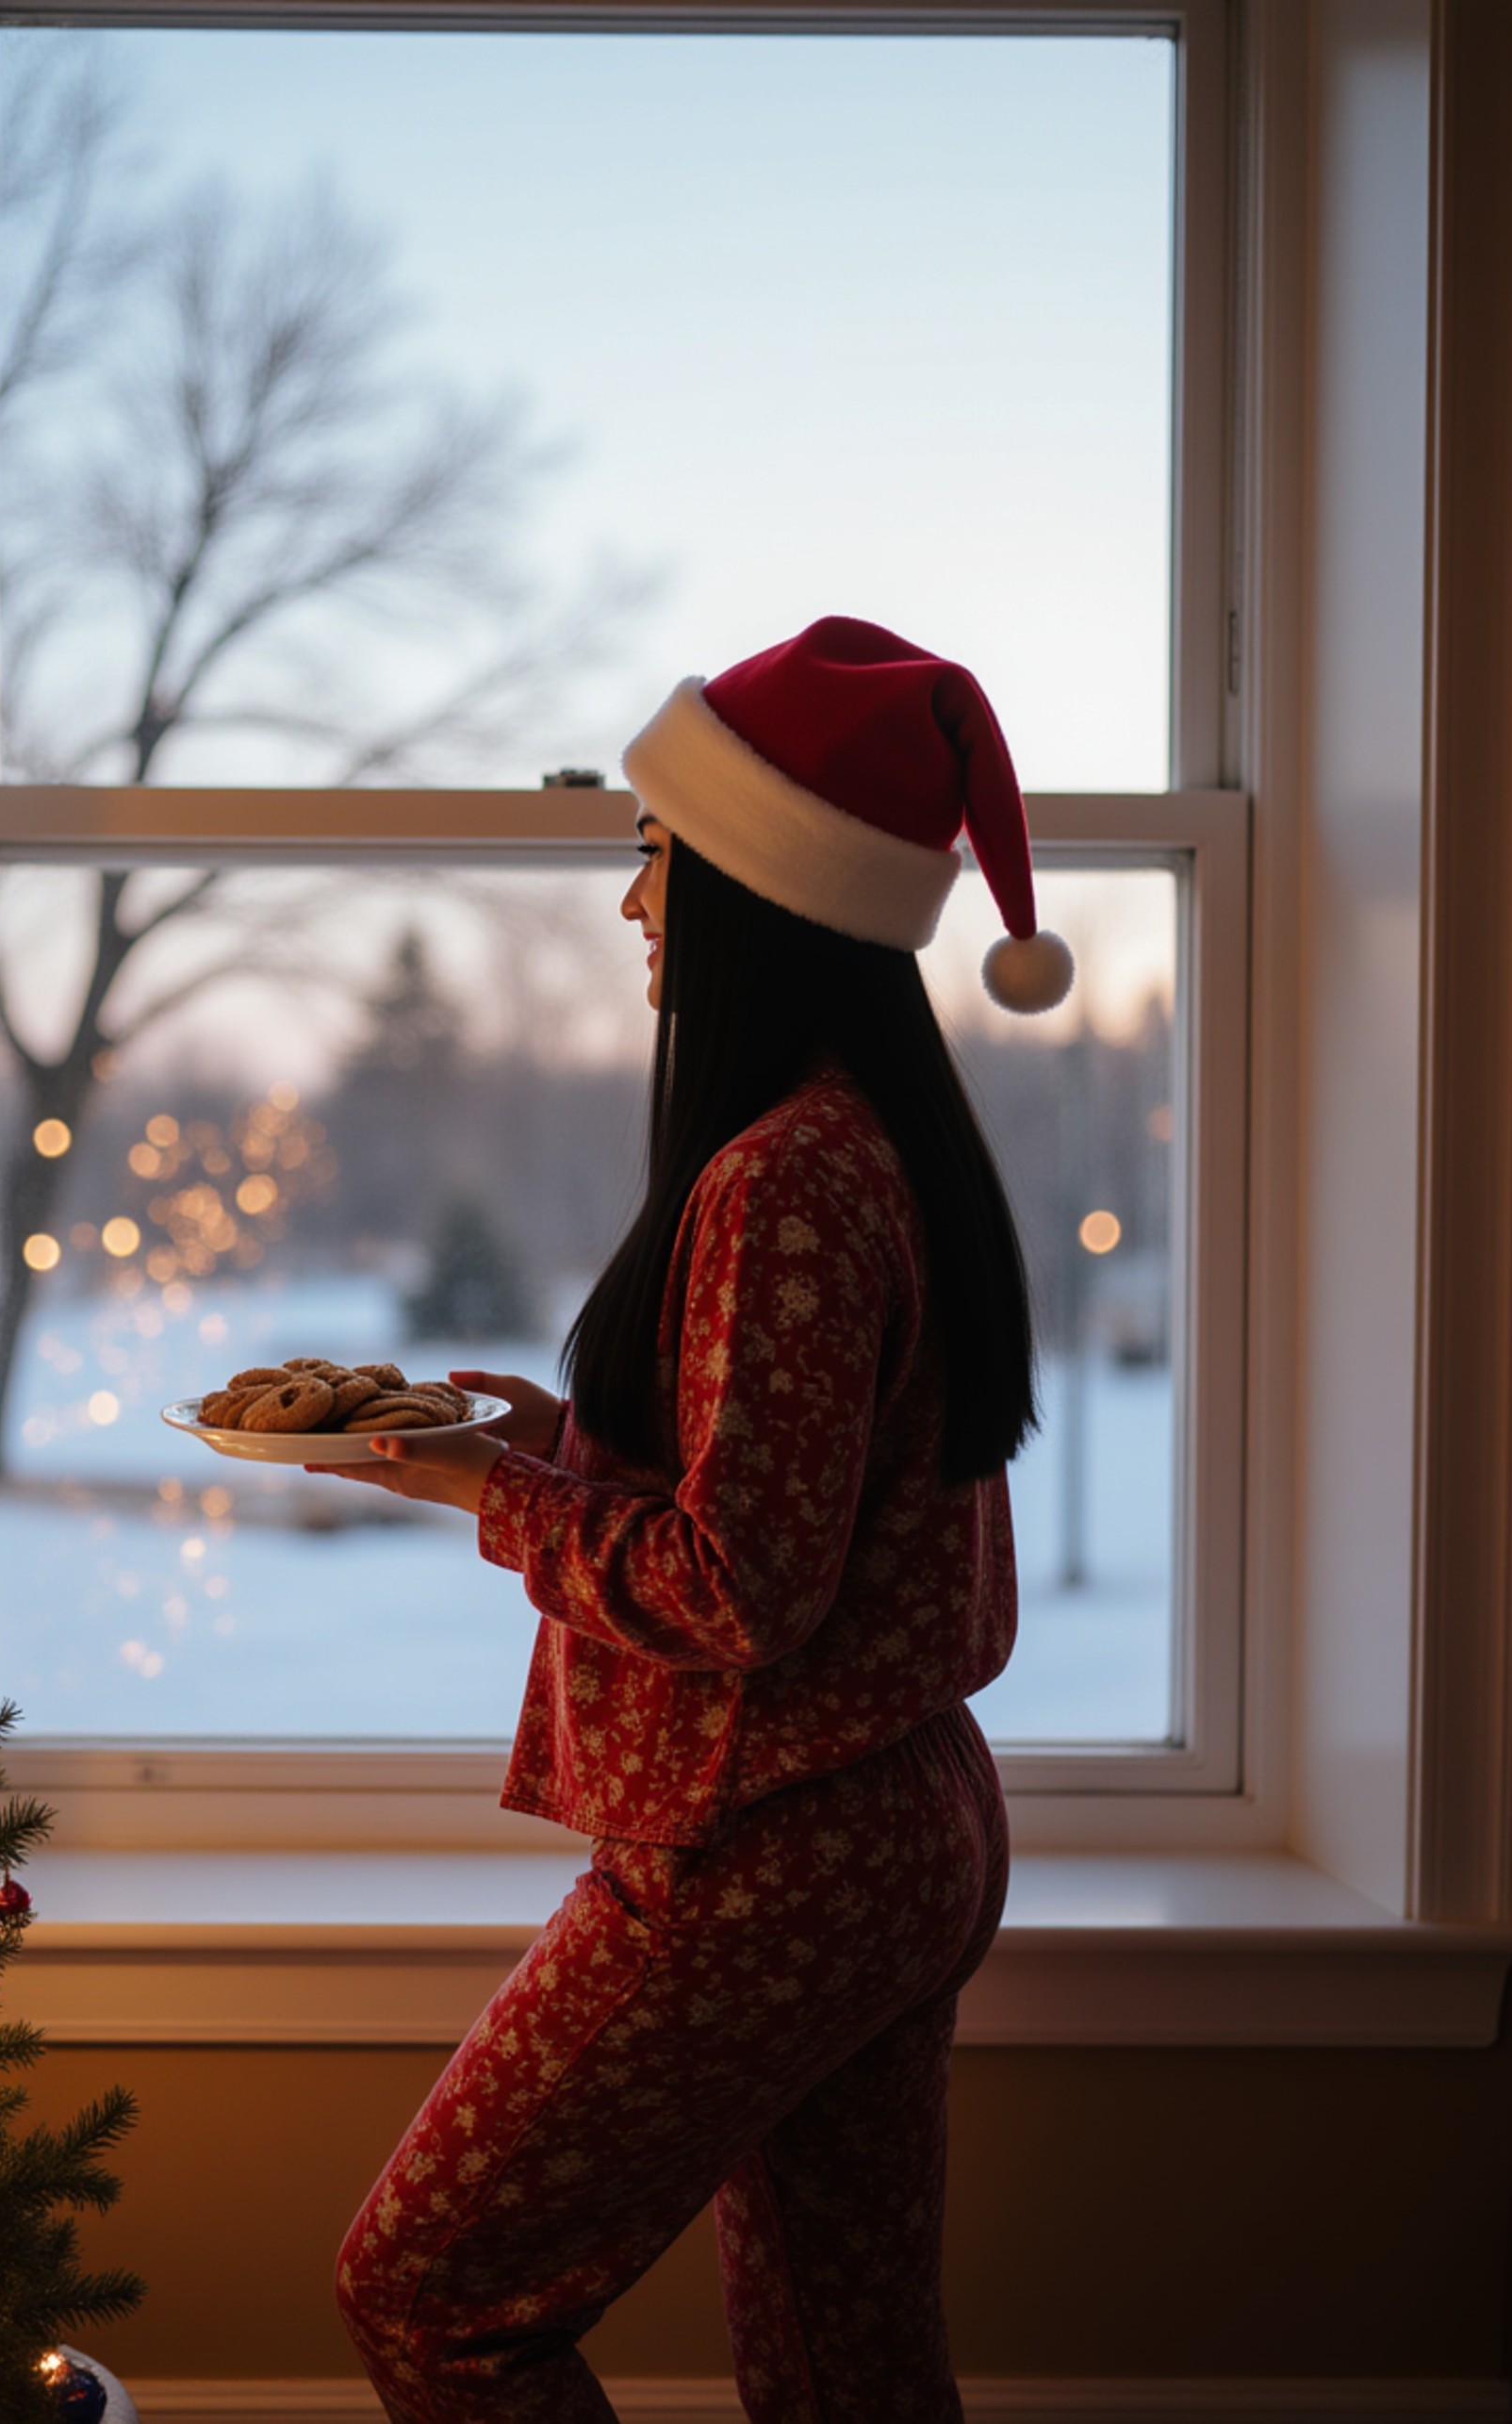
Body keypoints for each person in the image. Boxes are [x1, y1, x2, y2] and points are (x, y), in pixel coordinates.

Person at [320, 616, 1074, 2422]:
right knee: (843, 2358)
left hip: (768, 1855)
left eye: (655, 853)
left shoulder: (781, 1179)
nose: (634, 901)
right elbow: (813, 1474)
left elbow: (739, 1587)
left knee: (427, 2293)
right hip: (896, 1826)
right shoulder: (864, 1140)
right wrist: (565, 1439)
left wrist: (488, 1496)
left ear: (756, 886)